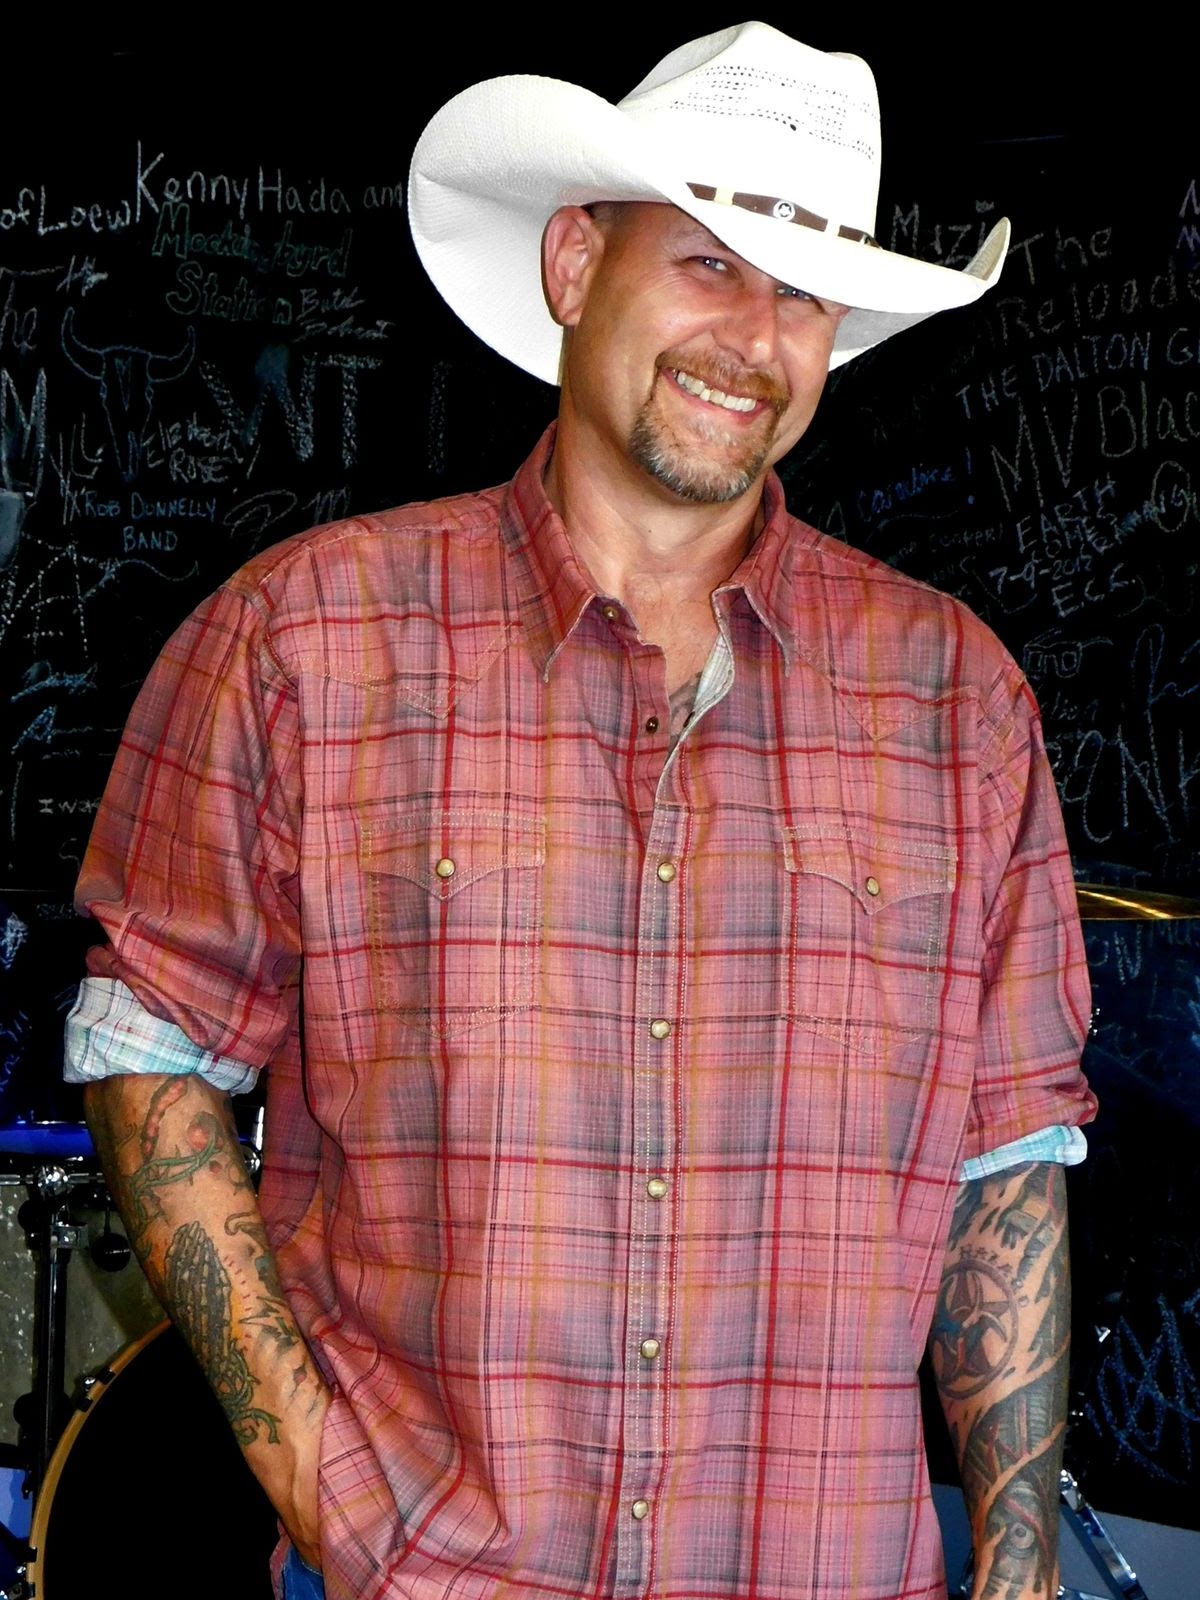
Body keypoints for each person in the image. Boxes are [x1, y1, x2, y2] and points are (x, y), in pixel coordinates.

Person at [67, 23, 1096, 1600]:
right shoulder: (305, 641)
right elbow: (152, 1066)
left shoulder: (960, 707)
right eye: (707, 260)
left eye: (806, 287)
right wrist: (334, 1492)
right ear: (572, 263)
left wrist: (1019, 1575)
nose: (755, 336)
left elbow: (1006, 1166)